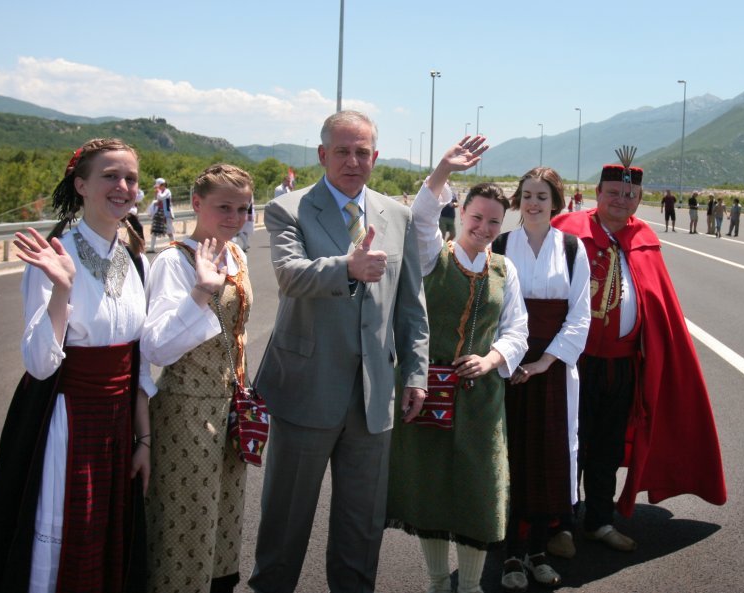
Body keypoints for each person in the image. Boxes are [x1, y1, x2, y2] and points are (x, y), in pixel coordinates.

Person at [249, 111, 429, 593]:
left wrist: (415, 375)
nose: (353, 161)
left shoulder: (398, 215)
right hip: (306, 391)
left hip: (373, 400)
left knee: (362, 529)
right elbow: (290, 275)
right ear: (323, 154)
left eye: (363, 152)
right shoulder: (289, 208)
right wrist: (347, 267)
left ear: (376, 156)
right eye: (343, 151)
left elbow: (411, 306)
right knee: (285, 526)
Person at [0, 138, 154, 593]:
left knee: (107, 537)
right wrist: (62, 291)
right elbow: (38, 364)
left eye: (130, 178)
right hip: (64, 420)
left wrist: (144, 439)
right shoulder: (53, 257)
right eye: (110, 176)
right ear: (81, 185)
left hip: (115, 423)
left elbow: (139, 364)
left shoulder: (134, 260)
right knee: (63, 533)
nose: (123, 186)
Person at [550, 155, 726, 554]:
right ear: (597, 194)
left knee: (607, 447)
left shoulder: (644, 237)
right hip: (573, 364)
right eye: (613, 192)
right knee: (568, 443)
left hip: (621, 367)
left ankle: (598, 521)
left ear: (639, 197)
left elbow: (657, 301)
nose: (621, 200)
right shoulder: (566, 231)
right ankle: (559, 522)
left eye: (629, 194)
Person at [386, 136, 528, 593]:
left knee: (479, 490)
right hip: (426, 388)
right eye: (476, 217)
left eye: (493, 221)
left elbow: (516, 329)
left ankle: (467, 587)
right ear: (461, 212)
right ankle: (435, 582)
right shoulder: (434, 255)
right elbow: (422, 217)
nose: (484, 228)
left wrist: (491, 358)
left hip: (482, 397)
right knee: (430, 487)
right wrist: (443, 171)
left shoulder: (505, 270)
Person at [141, 164, 255, 593]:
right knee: (184, 528)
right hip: (186, 410)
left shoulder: (237, 254)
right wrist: (201, 292)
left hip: (229, 409)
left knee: (223, 525)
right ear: (195, 204)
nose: (234, 217)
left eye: (242, 208)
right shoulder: (174, 261)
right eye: (223, 207)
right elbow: (156, 349)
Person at [490, 167, 589, 592]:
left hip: (550, 371)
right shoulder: (499, 245)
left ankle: (539, 550)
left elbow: (579, 315)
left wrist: (545, 362)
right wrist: (508, 359)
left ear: (556, 202)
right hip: (506, 367)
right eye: (527, 195)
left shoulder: (570, 248)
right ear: (517, 200)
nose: (533, 203)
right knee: (509, 456)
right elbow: (487, 307)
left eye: (542, 197)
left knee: (547, 456)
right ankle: (510, 552)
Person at [149, 177, 176, 252]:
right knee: (155, 229)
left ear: (162, 185)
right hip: (159, 213)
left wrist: (158, 192)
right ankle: (152, 248)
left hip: (166, 214)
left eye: (159, 186)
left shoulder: (167, 191)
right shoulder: (160, 192)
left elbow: (161, 197)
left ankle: (173, 246)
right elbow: (157, 200)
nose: (158, 188)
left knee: (169, 231)